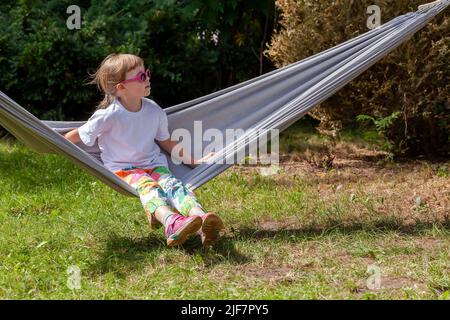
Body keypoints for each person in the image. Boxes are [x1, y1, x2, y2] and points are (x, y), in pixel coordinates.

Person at [64, 53, 223, 248]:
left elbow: (167, 142)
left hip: (154, 164)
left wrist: (194, 161)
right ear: (121, 88)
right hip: (124, 170)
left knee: (174, 185)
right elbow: (79, 135)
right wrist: (59, 144)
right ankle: (171, 223)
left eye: (146, 73)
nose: (147, 78)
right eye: (141, 77)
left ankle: (201, 220)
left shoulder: (154, 110)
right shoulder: (108, 116)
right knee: (150, 188)